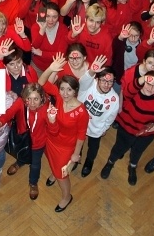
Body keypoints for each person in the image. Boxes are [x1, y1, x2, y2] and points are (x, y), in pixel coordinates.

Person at [101, 69, 154, 185]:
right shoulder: (134, 90)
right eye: (148, 83)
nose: (150, 88)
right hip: (127, 128)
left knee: (138, 151)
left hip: (146, 134)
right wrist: (143, 79)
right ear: (143, 82)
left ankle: (132, 166)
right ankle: (110, 162)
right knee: (119, 148)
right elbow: (127, 91)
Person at [43, 73, 88, 212]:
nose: (65, 93)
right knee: (53, 163)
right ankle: (54, 172)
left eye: (69, 89)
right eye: (62, 89)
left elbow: (81, 135)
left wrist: (76, 154)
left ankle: (66, 197)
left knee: (62, 176)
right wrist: (51, 68)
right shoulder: (59, 97)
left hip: (66, 148)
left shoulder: (81, 112)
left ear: (75, 91)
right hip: (51, 139)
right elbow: (42, 83)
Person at [76, 57, 121, 178]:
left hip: (95, 129)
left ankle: (89, 162)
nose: (107, 85)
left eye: (111, 82)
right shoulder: (89, 84)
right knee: (77, 143)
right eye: (103, 81)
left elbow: (111, 118)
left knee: (93, 147)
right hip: (79, 124)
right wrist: (91, 71)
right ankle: (76, 157)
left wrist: (104, 129)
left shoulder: (114, 99)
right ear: (97, 79)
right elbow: (82, 82)